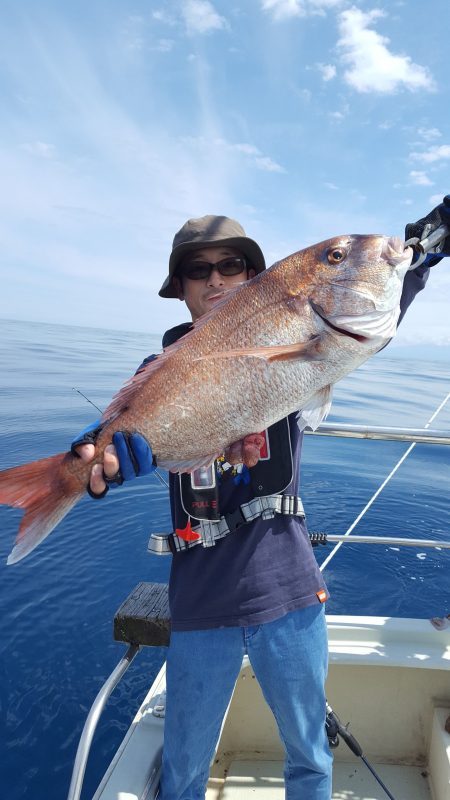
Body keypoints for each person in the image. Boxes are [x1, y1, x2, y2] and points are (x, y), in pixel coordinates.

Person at [73, 199, 450, 800]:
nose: (216, 279)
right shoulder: (160, 366)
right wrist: (94, 461)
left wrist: (421, 249)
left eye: (231, 265)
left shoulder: (306, 333)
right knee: (185, 762)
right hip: (199, 595)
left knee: (309, 750)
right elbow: (120, 438)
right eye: (199, 270)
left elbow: (371, 306)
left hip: (288, 584)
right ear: (181, 289)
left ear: (254, 278)